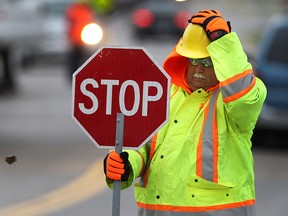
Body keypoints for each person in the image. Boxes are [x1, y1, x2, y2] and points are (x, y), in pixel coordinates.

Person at [103, 9, 267, 216]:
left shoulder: (238, 99)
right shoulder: (163, 94)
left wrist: (224, 42)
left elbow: (244, 97)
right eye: (193, 60)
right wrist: (126, 164)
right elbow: (145, 148)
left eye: (207, 62)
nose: (199, 69)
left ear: (221, 62)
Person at [65, 0, 95, 79]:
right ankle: (73, 77)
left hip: (86, 40)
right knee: (75, 60)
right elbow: (70, 24)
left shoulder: (88, 10)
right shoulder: (73, 10)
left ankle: (85, 77)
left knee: (87, 59)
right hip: (76, 40)